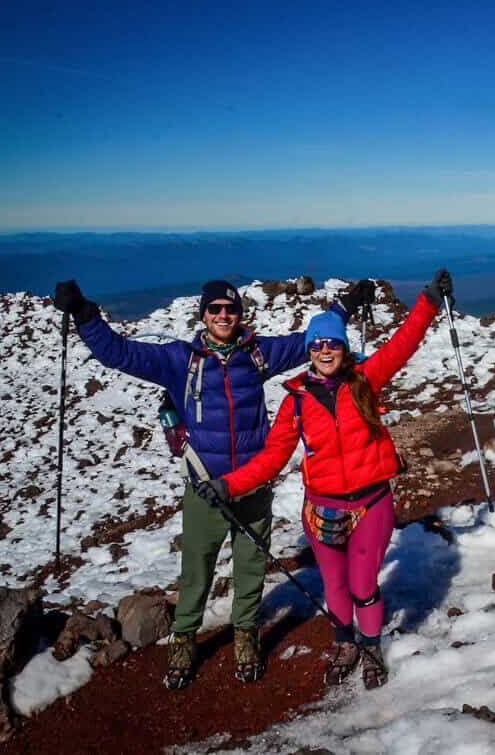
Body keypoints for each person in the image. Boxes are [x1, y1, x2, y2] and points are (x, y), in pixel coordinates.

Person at [53, 277, 368, 689]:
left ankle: (245, 637)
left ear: (240, 314)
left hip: (252, 483)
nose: (224, 315)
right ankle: (183, 641)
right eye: (216, 309)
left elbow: (308, 339)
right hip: (205, 485)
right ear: (203, 314)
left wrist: (343, 308)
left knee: (251, 568)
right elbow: (118, 353)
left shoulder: (256, 353)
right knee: (196, 571)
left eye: (231, 309)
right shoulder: (179, 360)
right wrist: (84, 314)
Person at [195, 269, 452, 689]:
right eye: (317, 344)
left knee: (363, 584)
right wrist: (230, 485)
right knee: (334, 584)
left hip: (370, 502)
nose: (326, 350)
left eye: (333, 343)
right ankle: (344, 642)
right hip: (321, 507)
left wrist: (427, 301)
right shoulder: (295, 402)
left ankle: (369, 646)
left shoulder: (365, 379)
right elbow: (273, 457)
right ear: (309, 350)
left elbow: (403, 345)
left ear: (344, 347)